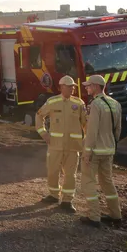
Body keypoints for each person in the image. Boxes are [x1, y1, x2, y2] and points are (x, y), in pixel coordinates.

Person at [35, 75, 87, 213]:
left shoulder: (79, 103)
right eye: (70, 86)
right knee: (52, 171)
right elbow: (39, 116)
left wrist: (86, 140)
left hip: (73, 147)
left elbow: (85, 124)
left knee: (70, 175)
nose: (73, 88)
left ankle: (67, 200)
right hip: (55, 145)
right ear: (62, 87)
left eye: (73, 86)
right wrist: (44, 134)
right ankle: (53, 195)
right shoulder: (52, 102)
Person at [80, 74, 123, 228]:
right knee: (107, 182)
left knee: (88, 181)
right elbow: (118, 129)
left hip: (95, 151)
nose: (86, 88)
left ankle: (94, 217)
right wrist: (112, 144)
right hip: (109, 150)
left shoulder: (96, 105)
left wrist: (87, 152)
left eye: (88, 85)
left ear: (96, 87)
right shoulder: (115, 104)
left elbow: (92, 131)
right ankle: (116, 215)